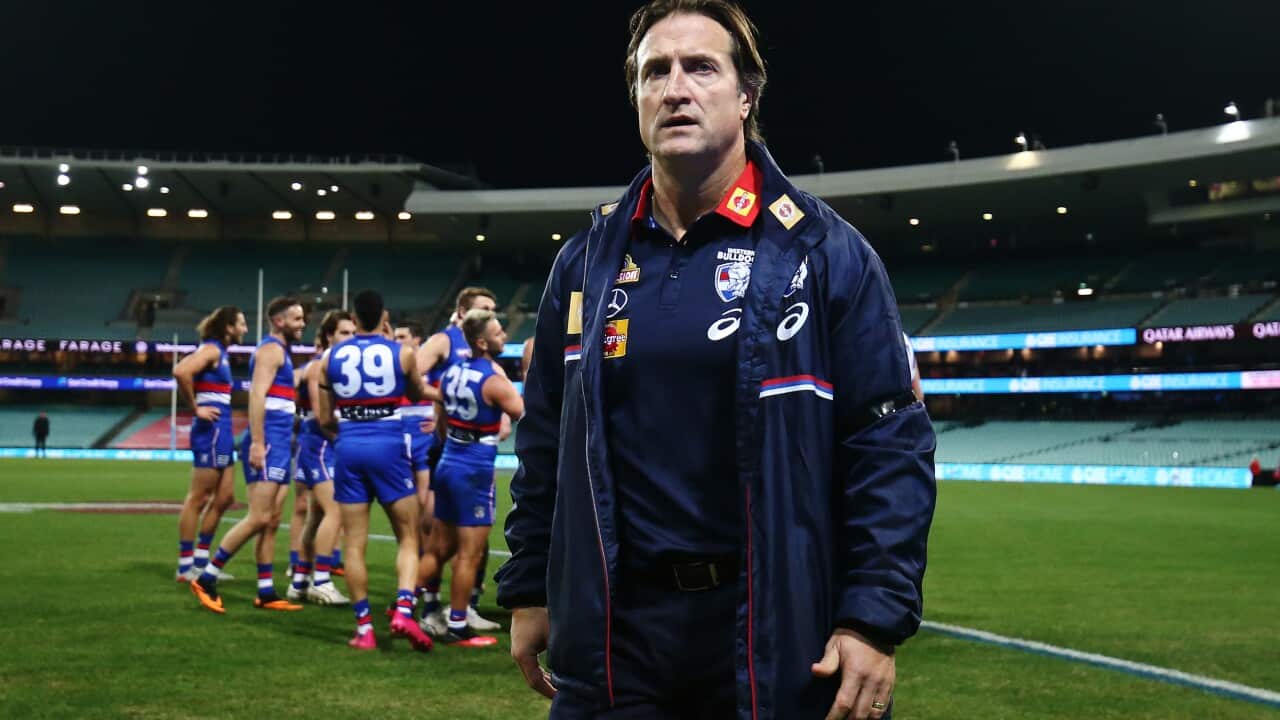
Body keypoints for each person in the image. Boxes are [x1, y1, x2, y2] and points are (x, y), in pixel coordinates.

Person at [496, 3, 937, 719]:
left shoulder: (827, 254)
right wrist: (527, 585)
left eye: (701, 67)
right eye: (654, 72)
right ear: (636, 98)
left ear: (746, 94)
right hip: (616, 639)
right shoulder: (584, 263)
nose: (676, 88)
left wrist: (871, 618)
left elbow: (888, 441)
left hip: (772, 635)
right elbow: (545, 437)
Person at [315, 290, 440, 651]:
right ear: (383, 316)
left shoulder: (330, 357)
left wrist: (351, 431)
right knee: (409, 535)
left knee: (353, 543)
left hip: (349, 447)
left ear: (353, 319)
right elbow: (416, 394)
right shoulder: (400, 352)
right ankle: (403, 609)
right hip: (389, 445)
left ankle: (364, 629)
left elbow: (324, 418)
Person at [191, 297, 307, 613]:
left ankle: (266, 591)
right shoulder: (270, 351)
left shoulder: (281, 353)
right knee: (258, 516)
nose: (302, 324)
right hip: (268, 442)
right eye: (297, 319)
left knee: (270, 521)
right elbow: (256, 395)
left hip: (281, 443)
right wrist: (257, 442)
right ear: (279, 321)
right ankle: (208, 576)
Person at [416, 309, 523, 646]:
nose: (503, 335)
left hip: (448, 462)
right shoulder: (493, 379)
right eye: (498, 331)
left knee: (437, 548)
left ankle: (404, 607)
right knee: (469, 554)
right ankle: (459, 624)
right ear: (482, 341)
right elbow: (524, 415)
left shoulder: (452, 372)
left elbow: (443, 415)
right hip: (474, 470)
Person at [171, 306, 247, 583]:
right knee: (198, 498)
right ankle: (185, 566)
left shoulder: (221, 354)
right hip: (211, 430)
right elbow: (181, 371)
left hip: (222, 430)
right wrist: (195, 408)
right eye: (241, 324)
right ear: (228, 327)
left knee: (225, 497)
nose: (245, 329)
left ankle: (201, 562)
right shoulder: (212, 350)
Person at [286, 310, 356, 605]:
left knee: (316, 514)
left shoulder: (338, 365)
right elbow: (321, 414)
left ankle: (300, 580)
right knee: (335, 511)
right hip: (321, 445)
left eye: (353, 332)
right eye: (343, 332)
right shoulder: (321, 366)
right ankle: (322, 580)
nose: (349, 338)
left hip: (318, 445)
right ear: (329, 336)